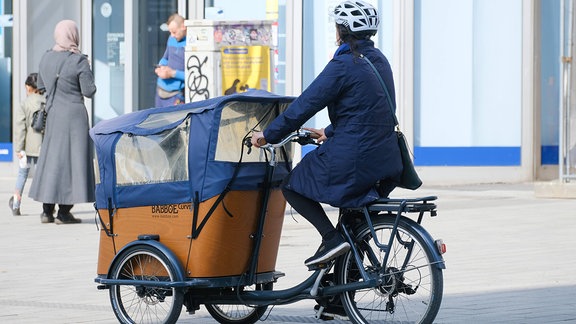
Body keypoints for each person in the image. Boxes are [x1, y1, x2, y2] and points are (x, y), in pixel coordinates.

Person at [251, 0, 402, 267]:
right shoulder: (378, 61)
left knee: (292, 184)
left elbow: (305, 105)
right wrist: (330, 131)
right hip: (386, 158)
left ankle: (330, 239)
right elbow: (373, 107)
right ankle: (338, 300)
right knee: (354, 225)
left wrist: (269, 135)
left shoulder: (343, 64)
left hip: (356, 156)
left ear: (341, 31)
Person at [29, 20, 97, 224]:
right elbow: (89, 91)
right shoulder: (79, 61)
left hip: (54, 114)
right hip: (74, 117)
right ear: (74, 35)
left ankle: (46, 211)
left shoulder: (46, 57)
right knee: (72, 162)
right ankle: (64, 212)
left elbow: (41, 85)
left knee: (52, 161)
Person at [9, 73, 46, 216]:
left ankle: (16, 204)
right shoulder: (47, 101)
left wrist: (18, 148)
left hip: (28, 148)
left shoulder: (25, 103)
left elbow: (20, 127)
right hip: (45, 147)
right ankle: (48, 209)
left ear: (29, 87)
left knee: (22, 174)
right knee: (43, 177)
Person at [155, 13, 187, 107]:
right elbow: (165, 58)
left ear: (183, 27)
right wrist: (160, 66)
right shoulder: (171, 39)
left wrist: (172, 73)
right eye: (170, 32)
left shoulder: (191, 44)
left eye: (174, 32)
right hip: (160, 89)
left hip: (176, 94)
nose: (172, 35)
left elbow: (192, 76)